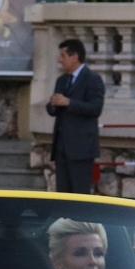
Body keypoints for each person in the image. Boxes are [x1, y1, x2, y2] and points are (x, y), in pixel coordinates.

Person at [47, 38, 106, 195]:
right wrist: (53, 103)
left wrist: (69, 102)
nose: (60, 60)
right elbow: (53, 110)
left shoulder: (92, 79)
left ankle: (79, 221)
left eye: (63, 55)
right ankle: (65, 220)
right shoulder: (62, 80)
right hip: (61, 148)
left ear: (74, 56)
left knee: (79, 195)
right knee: (63, 195)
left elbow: (95, 108)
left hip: (81, 149)